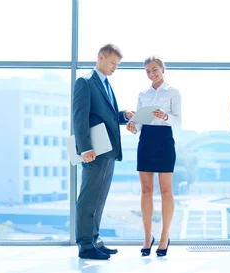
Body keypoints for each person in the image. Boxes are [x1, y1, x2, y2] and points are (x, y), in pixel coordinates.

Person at [72, 44, 134, 260]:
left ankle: (94, 240)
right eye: (112, 63)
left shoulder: (106, 84)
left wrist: (123, 115)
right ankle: (85, 245)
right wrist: (85, 148)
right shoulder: (85, 82)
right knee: (89, 198)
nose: (114, 68)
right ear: (101, 57)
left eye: (117, 65)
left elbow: (104, 116)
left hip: (107, 151)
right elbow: (79, 118)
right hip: (94, 151)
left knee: (99, 199)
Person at [126, 56, 181, 257]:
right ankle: (148, 237)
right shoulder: (143, 94)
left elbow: (178, 120)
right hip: (146, 140)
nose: (152, 74)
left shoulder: (173, 92)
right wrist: (133, 126)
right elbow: (139, 121)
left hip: (165, 139)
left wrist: (165, 117)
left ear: (163, 68)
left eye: (154, 69)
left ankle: (165, 236)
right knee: (146, 190)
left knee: (166, 190)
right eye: (148, 71)